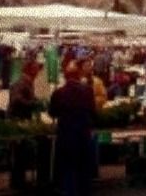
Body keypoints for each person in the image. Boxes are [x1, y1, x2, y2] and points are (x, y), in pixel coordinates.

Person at [49, 61, 96, 196]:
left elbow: (52, 112)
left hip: (66, 134)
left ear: (65, 76)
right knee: (83, 167)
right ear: (78, 75)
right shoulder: (88, 90)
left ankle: (70, 191)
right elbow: (92, 112)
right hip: (83, 134)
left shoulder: (58, 93)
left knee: (68, 167)